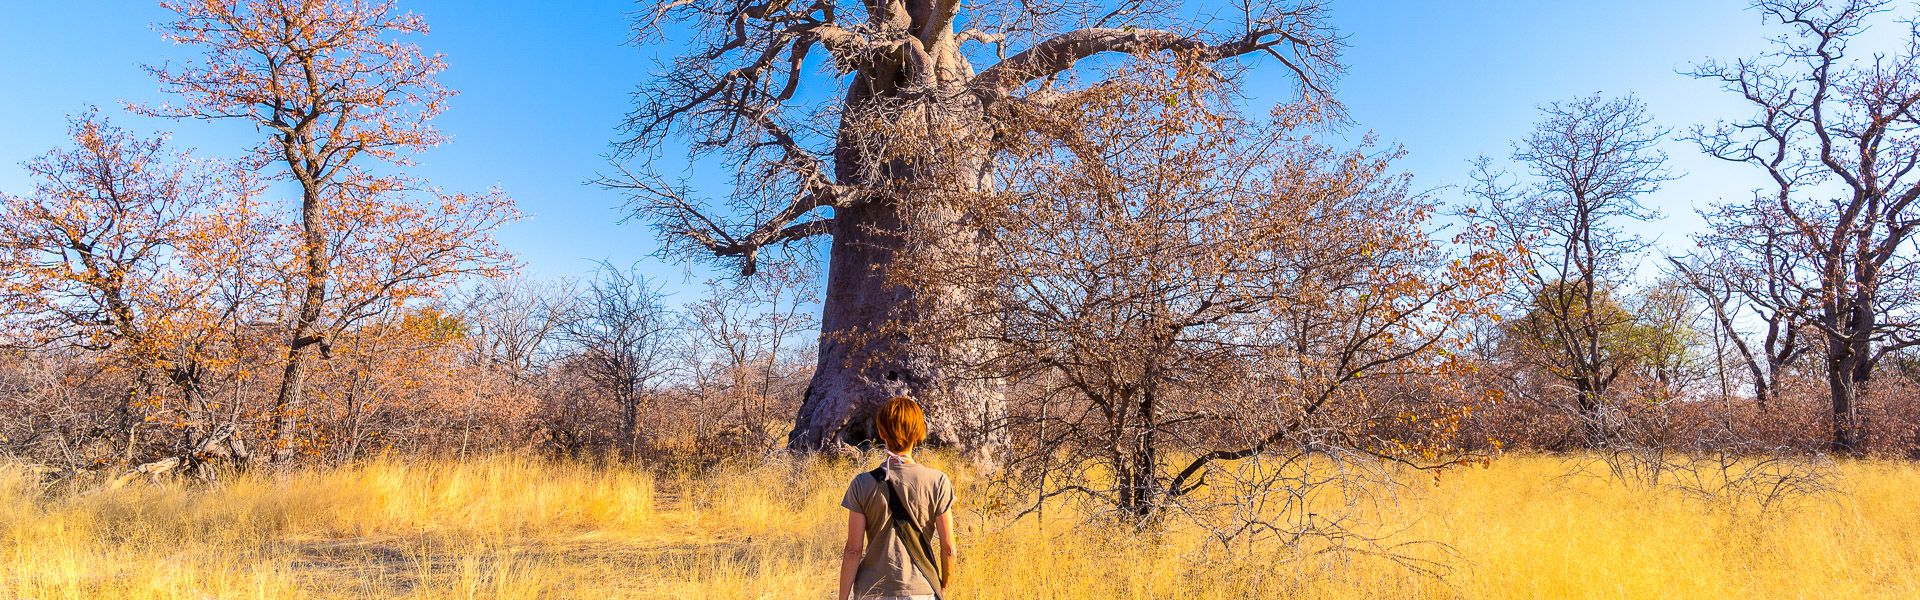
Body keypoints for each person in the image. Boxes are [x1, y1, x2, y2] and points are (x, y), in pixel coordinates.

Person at [838, 396, 957, 600]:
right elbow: (948, 548)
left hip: (872, 591)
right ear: (919, 432)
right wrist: (943, 585)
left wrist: (842, 598)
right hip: (921, 589)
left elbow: (853, 550)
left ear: (882, 432)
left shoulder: (862, 483)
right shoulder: (938, 482)